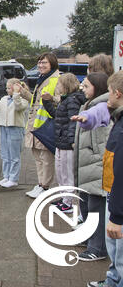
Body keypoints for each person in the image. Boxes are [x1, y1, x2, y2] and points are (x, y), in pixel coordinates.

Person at [86, 71, 123, 287]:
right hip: (114, 193)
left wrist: (117, 216)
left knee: (119, 251)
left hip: (118, 199)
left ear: (117, 93)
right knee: (115, 251)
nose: (107, 97)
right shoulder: (118, 115)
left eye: (109, 92)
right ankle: (112, 280)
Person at [69, 73, 111, 262]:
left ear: (98, 86)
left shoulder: (101, 105)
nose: (82, 89)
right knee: (87, 204)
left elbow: (94, 116)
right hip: (88, 165)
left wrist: (85, 117)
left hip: (96, 165)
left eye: (86, 86)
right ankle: (90, 239)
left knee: (96, 207)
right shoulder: (90, 103)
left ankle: (98, 248)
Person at [41, 73, 84, 209]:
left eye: (59, 84)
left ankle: (68, 202)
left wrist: (71, 141)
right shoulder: (66, 99)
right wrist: (47, 101)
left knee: (67, 173)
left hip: (67, 143)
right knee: (61, 171)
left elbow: (73, 121)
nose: (57, 86)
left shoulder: (72, 100)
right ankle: (65, 198)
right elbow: (56, 115)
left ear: (66, 85)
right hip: (61, 141)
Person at [21, 52, 60, 199]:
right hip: (35, 125)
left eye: (44, 63)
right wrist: (25, 92)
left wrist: (53, 98)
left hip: (46, 127)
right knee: (38, 159)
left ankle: (45, 186)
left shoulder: (56, 79)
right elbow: (36, 101)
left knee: (46, 159)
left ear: (52, 64)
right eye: (39, 62)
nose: (41, 65)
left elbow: (60, 100)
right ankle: (40, 184)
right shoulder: (42, 79)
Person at [0, 79, 29, 188]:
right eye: (7, 88)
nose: (6, 90)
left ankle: (13, 179)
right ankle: (6, 176)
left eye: (9, 88)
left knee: (14, 155)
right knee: (5, 154)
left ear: (15, 89)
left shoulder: (23, 100)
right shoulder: (4, 98)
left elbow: (18, 107)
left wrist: (17, 94)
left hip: (15, 128)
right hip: (4, 128)